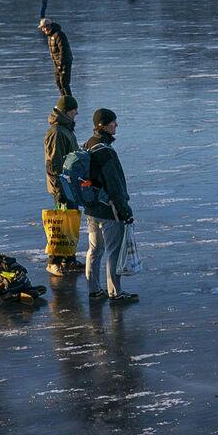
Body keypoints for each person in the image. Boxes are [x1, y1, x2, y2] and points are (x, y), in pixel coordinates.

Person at [81, 108, 137, 304]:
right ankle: (115, 292)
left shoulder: (88, 144)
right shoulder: (105, 151)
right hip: (108, 209)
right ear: (103, 125)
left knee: (94, 249)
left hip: (91, 208)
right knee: (113, 250)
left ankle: (93, 289)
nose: (116, 125)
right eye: (113, 122)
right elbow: (114, 185)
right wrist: (124, 210)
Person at [42, 94, 85, 277]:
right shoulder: (58, 132)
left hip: (70, 185)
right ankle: (54, 261)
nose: (76, 114)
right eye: (74, 111)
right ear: (67, 112)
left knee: (70, 222)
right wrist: (59, 189)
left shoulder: (65, 129)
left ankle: (69, 258)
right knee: (61, 224)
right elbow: (53, 163)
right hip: (63, 186)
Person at [39, 18, 72, 96]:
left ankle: (69, 102)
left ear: (47, 26)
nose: (42, 30)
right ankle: (63, 100)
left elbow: (63, 51)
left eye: (43, 28)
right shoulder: (50, 36)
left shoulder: (59, 35)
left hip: (64, 63)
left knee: (64, 83)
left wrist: (61, 64)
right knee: (58, 82)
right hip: (57, 64)